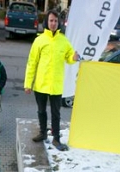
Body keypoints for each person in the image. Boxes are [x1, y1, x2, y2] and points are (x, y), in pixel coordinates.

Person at [23, 9, 80, 152]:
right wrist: (28, 83)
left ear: (59, 23)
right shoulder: (39, 40)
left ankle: (56, 138)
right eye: (51, 20)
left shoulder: (64, 41)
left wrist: (73, 58)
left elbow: (69, 57)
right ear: (47, 22)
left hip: (56, 85)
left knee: (56, 113)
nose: (53, 23)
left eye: (55, 21)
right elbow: (32, 63)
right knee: (41, 111)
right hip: (41, 84)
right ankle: (43, 133)